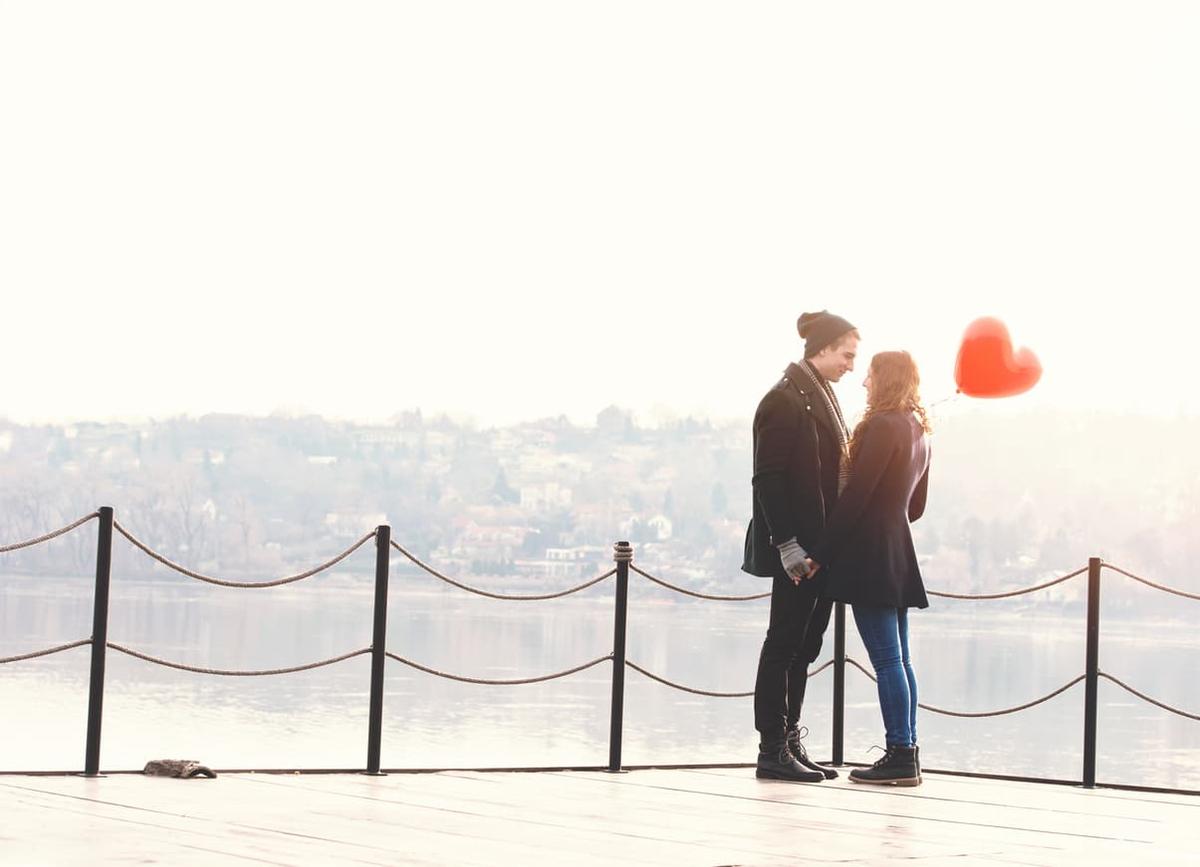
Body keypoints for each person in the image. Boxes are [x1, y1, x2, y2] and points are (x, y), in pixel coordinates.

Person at [803, 350, 932, 786]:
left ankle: (898, 754)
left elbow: (855, 496)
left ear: (887, 379)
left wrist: (819, 552)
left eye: (871, 375)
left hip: (871, 556)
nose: (864, 383)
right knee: (902, 659)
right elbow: (916, 506)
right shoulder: (919, 429)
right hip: (898, 551)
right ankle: (909, 753)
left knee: (886, 660)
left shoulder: (881, 426)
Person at [744, 309, 859, 782]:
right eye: (847, 355)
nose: (851, 365)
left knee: (805, 648)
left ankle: (790, 740)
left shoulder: (820, 395)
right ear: (824, 348)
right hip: (797, 552)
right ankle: (771, 749)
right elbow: (768, 479)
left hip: (821, 548)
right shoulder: (783, 400)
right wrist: (788, 546)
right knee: (783, 644)